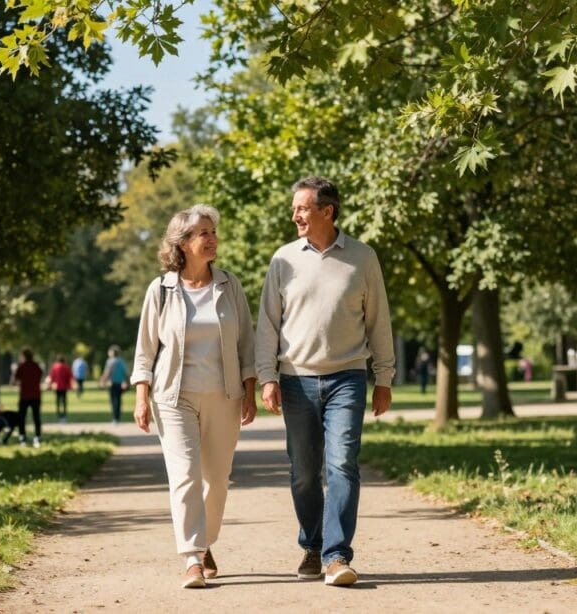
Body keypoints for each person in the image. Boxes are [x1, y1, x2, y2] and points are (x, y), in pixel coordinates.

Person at [255, 176, 395, 587]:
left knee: (342, 464)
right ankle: (312, 546)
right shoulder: (283, 259)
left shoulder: (363, 258)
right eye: (295, 208)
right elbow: (267, 324)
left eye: (302, 208)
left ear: (327, 211)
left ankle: (337, 555)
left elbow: (379, 321)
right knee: (304, 472)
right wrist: (267, 377)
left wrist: (384, 377)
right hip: (296, 379)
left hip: (347, 377)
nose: (295, 215)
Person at [131, 204, 257, 589]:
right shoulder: (161, 290)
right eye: (204, 233)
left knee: (216, 481)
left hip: (224, 395)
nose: (213, 239)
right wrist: (141, 396)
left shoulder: (229, 286)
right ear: (183, 242)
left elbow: (246, 344)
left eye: (213, 232)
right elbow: (145, 349)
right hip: (173, 397)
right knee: (185, 475)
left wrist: (250, 391)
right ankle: (191, 557)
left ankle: (205, 543)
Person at [14, 348, 44, 447]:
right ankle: (37, 436)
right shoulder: (36, 366)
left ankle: (22, 437)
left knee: (22, 417)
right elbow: (40, 376)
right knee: (36, 417)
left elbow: (15, 379)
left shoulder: (21, 367)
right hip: (36, 395)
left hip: (24, 395)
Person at [100, 345, 129, 425]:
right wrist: (126, 382)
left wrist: (102, 381)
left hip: (112, 383)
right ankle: (117, 417)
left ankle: (115, 418)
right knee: (118, 400)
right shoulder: (122, 361)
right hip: (120, 384)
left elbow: (107, 373)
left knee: (113, 401)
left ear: (112, 353)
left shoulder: (110, 361)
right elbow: (126, 373)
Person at [48, 356, 73, 423]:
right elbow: (69, 377)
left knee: (58, 401)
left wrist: (50, 385)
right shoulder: (66, 367)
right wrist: (70, 386)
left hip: (57, 386)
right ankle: (64, 414)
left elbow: (52, 376)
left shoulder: (54, 367)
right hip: (64, 387)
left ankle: (58, 413)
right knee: (64, 401)